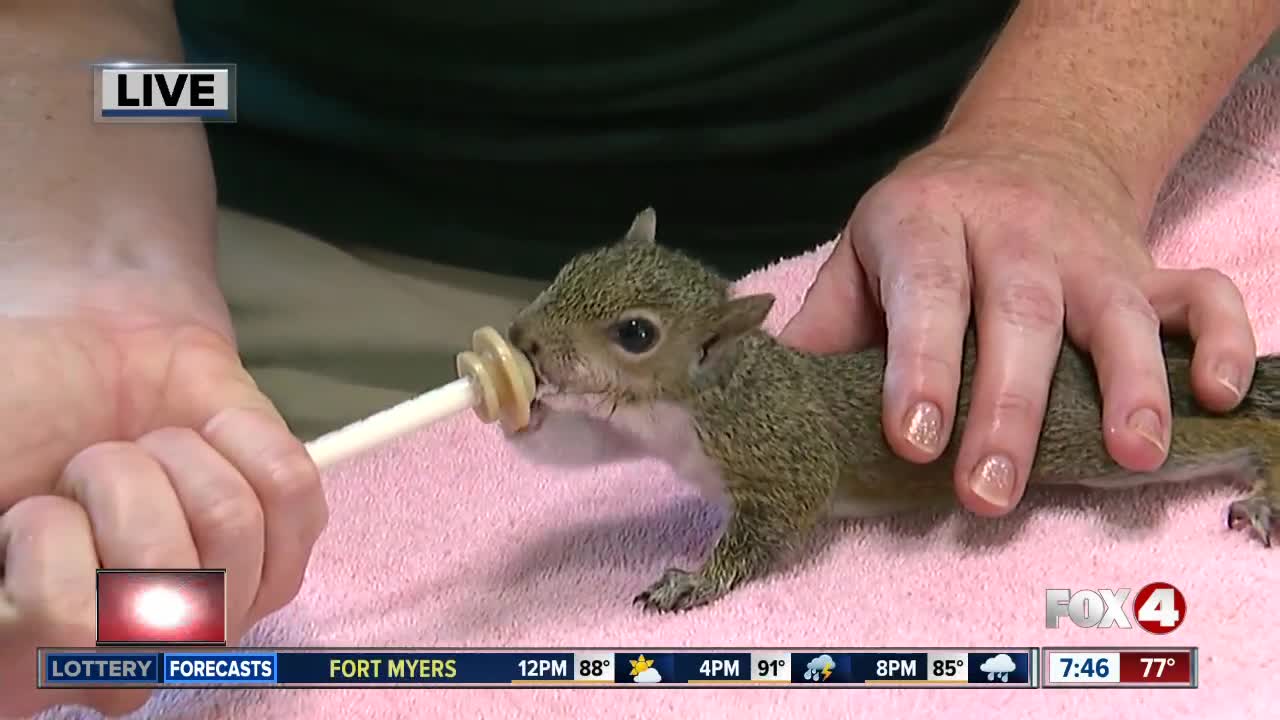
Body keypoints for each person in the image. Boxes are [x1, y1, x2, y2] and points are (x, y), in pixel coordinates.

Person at [2, 1, 1276, 714]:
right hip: (252, 168)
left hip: (998, 117)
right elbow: (56, 35)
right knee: (143, 620)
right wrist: (87, 265)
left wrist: (1058, 132)